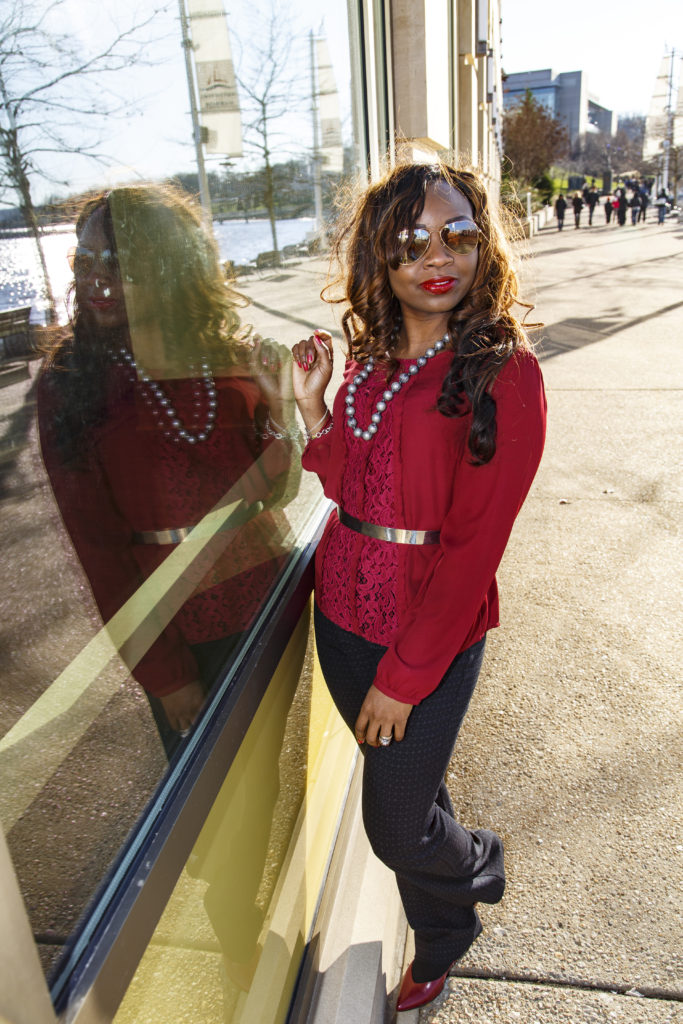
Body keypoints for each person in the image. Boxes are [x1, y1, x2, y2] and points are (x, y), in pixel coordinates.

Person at [290, 162, 546, 1014]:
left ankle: (477, 863)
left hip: (427, 634)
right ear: (379, 260)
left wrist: (404, 677)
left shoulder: (503, 373)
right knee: (414, 790)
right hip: (343, 616)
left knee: (396, 823)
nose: (437, 257)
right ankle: (442, 935)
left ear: (482, 243)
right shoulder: (369, 356)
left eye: (458, 235)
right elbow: (346, 484)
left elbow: (474, 551)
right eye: (409, 242)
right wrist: (316, 410)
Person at [37, 183, 297, 757]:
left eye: (121, 260)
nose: (97, 277)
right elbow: (99, 551)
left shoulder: (222, 353)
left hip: (266, 599)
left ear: (171, 265)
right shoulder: (70, 384)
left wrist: (278, 408)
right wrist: (165, 672)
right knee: (210, 811)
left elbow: (273, 488)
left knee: (273, 764)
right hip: (177, 627)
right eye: (85, 260)